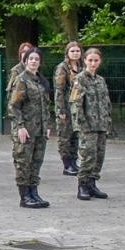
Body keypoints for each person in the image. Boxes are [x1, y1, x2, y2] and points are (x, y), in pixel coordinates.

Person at [8, 47, 52, 208]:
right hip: (25, 129)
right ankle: (24, 195)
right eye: (31, 59)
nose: (34, 61)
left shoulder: (40, 81)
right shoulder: (21, 80)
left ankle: (34, 192)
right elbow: (14, 106)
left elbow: (46, 107)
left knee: (36, 161)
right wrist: (20, 126)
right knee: (23, 162)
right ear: (25, 61)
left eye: (37, 59)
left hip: (39, 130)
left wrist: (47, 125)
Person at [71, 47, 112, 200]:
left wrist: (108, 122)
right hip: (87, 126)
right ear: (85, 61)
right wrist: (81, 124)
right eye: (90, 60)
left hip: (101, 124)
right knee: (88, 156)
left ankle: (92, 184)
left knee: (99, 156)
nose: (93, 63)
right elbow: (76, 103)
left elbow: (106, 103)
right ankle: (82, 185)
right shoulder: (79, 79)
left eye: (96, 60)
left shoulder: (101, 80)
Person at [53, 41, 83, 176]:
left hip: (78, 107)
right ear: (67, 53)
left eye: (77, 51)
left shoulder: (82, 67)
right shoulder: (62, 68)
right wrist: (61, 110)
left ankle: (74, 161)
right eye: (72, 51)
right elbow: (59, 90)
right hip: (66, 106)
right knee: (65, 136)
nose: (75, 53)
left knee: (75, 135)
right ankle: (67, 164)